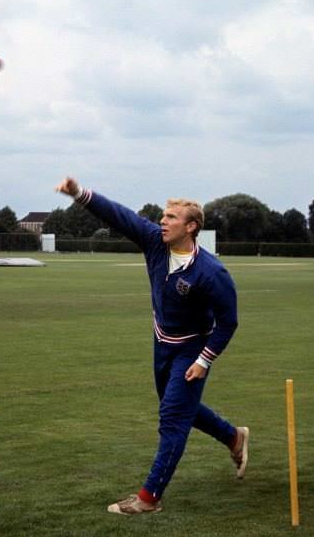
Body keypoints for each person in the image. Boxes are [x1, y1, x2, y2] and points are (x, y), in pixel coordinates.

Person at [55, 177, 249, 515]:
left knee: (173, 417)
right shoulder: (154, 243)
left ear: (191, 227)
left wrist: (204, 360)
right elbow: (119, 216)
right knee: (180, 407)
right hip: (162, 344)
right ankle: (234, 437)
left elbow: (228, 323)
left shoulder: (211, 272)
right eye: (163, 215)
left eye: (171, 217)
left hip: (192, 350)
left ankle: (148, 498)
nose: (163, 221)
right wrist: (78, 194)